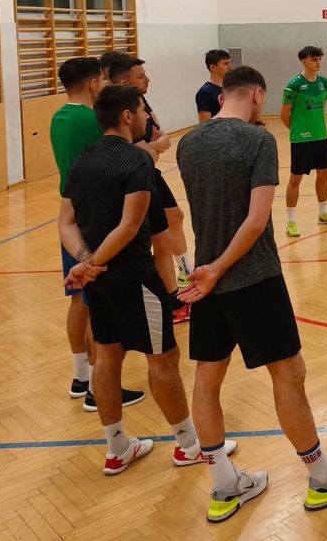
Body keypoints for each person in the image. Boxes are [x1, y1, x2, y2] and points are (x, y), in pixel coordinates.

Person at [177, 66, 327, 523]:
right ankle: (324, 479)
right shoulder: (258, 141)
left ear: (222, 96)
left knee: (207, 380)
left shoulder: (189, 142)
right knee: (289, 375)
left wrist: (209, 271)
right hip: (251, 277)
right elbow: (254, 221)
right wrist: (221, 269)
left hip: (204, 278)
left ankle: (224, 486)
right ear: (256, 94)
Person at [58, 85, 232, 475]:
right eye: (141, 111)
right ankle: (189, 446)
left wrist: (86, 263)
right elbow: (129, 226)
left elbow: (65, 222)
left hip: (99, 284)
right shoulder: (137, 160)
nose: (145, 118)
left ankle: (117, 448)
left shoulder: (82, 159)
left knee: (107, 357)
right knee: (164, 359)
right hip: (135, 278)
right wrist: (93, 263)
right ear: (126, 116)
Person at [50, 56, 144, 412]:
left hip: (71, 215)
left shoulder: (59, 117)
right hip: (96, 218)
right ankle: (96, 387)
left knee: (79, 301)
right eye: (101, 82)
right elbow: (122, 153)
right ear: (93, 83)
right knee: (95, 305)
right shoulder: (90, 119)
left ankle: (81, 377)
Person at [110, 56, 193, 323]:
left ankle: (184, 276)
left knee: (174, 218)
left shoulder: (142, 103)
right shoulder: (118, 110)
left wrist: (151, 148)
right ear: (125, 82)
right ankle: (170, 300)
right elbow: (142, 150)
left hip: (151, 173)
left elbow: (163, 140)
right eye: (141, 76)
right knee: (156, 238)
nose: (148, 79)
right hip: (138, 179)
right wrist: (151, 149)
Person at [280, 46, 327, 235]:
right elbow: (284, 114)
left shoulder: (324, 83)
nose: (318, 62)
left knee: (324, 173)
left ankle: (323, 213)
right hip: (301, 140)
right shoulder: (294, 85)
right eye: (314, 59)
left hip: (321, 137)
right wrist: (298, 131)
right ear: (303, 61)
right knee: (295, 178)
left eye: (320, 59)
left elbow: (321, 106)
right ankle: (291, 222)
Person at [196, 49, 232, 123]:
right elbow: (205, 125)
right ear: (213, 67)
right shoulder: (205, 92)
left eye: (229, 63)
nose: (230, 67)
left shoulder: (231, 88)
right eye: (225, 64)